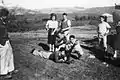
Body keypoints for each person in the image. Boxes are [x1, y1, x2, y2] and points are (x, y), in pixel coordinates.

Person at [0, 8, 18, 79]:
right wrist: (2, 42)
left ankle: (10, 69)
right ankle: (3, 73)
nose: (6, 17)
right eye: (5, 15)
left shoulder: (3, 21)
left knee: (10, 55)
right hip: (2, 41)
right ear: (2, 15)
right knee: (3, 57)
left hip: (6, 40)